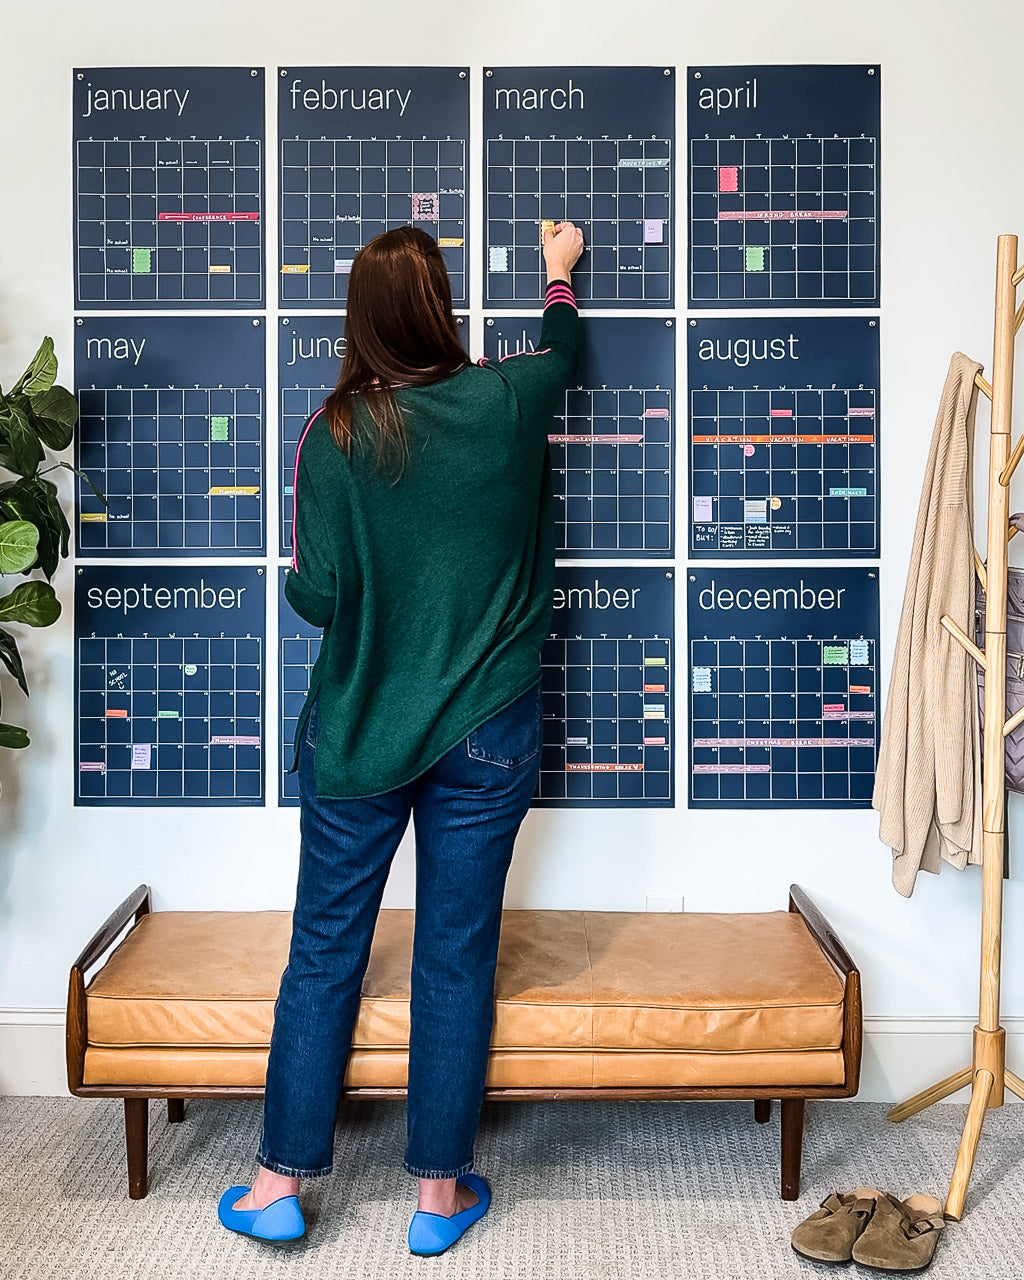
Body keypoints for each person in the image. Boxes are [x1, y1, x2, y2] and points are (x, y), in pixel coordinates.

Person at [217, 220, 584, 1256]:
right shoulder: (508, 399)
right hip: (488, 729)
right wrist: (557, 276)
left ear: (359, 320)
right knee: (455, 956)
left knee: (324, 952)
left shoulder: (332, 434)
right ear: (440, 307)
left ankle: (277, 1183)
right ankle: (436, 1196)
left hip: (361, 730)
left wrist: (327, 567)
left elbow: (319, 599)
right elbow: (562, 352)